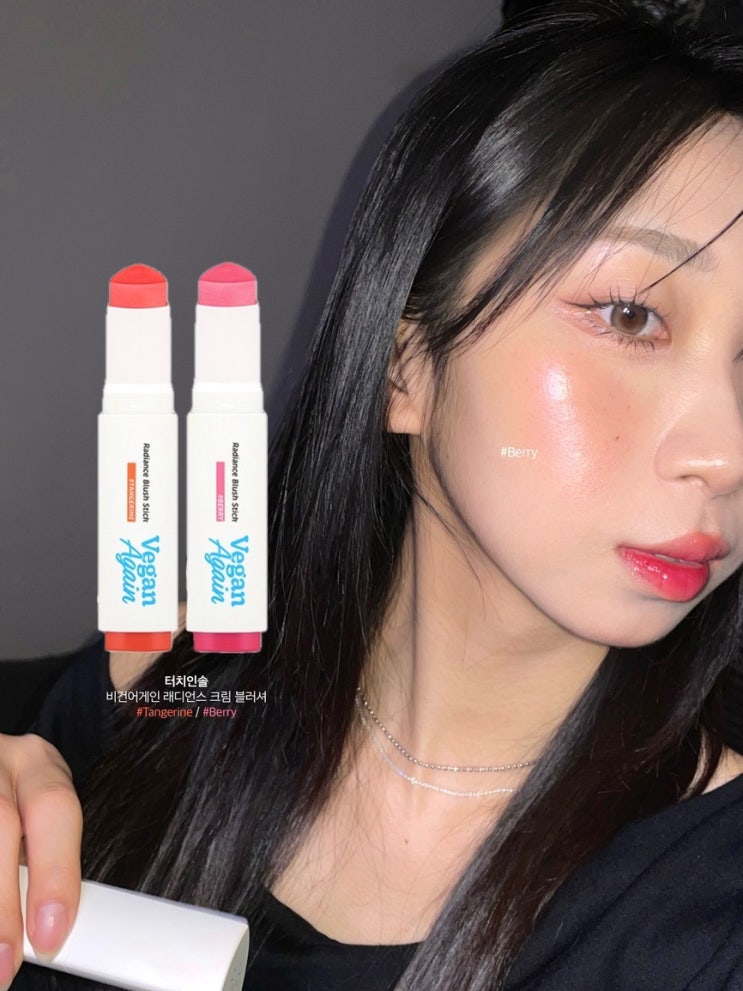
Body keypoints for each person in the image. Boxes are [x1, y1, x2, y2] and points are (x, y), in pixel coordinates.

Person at [5, 1, 743, 988]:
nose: (725, 455)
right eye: (629, 315)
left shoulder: (708, 913)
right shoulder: (168, 691)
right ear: (403, 368)